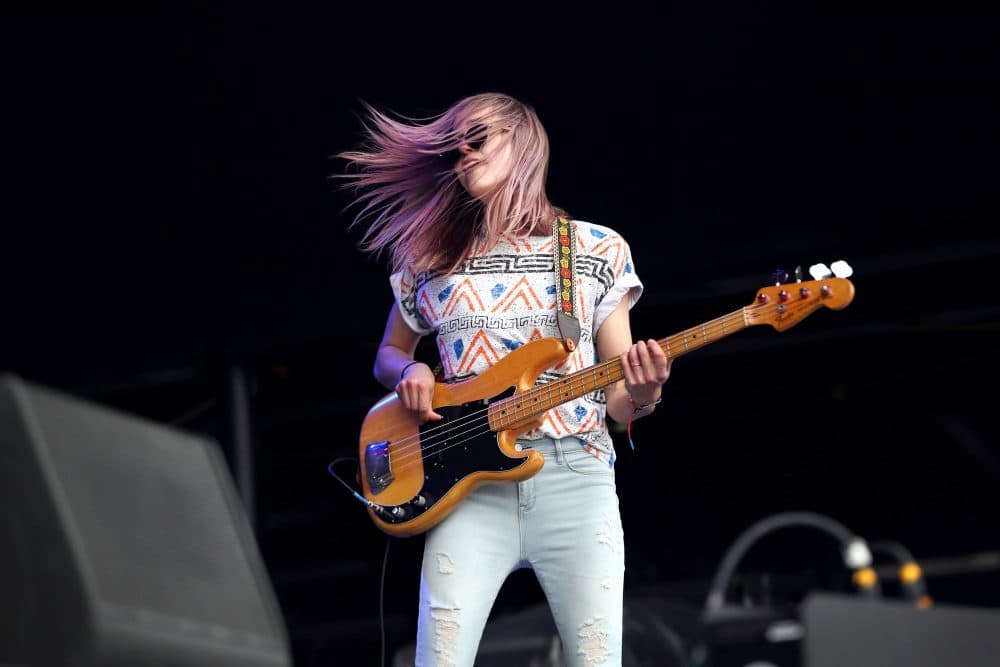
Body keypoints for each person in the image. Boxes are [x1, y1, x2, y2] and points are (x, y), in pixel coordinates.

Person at [338, 92, 671, 666]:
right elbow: (388, 353)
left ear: (523, 143)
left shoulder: (592, 248)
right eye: (455, 146)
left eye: (478, 139)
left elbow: (619, 399)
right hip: (469, 490)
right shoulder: (430, 259)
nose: (463, 154)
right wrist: (411, 368)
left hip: (575, 477)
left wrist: (645, 391)